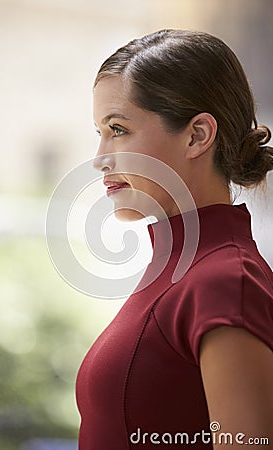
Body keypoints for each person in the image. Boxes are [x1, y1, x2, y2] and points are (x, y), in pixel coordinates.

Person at [75, 29, 273, 449]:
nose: (99, 159)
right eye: (100, 132)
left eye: (118, 129)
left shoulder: (223, 281)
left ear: (197, 135)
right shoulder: (179, 269)